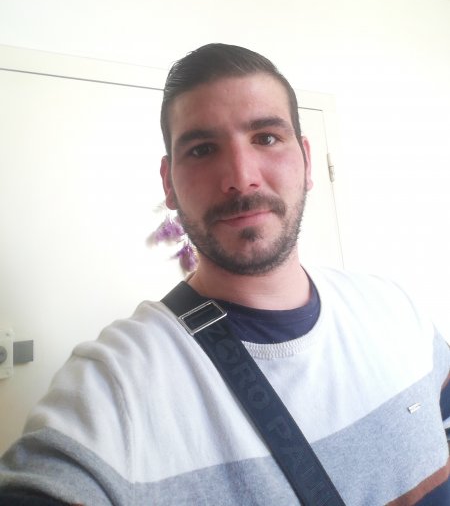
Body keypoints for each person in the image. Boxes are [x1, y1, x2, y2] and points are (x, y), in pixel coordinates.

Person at [0, 43, 449, 506]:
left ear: (307, 161)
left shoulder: (398, 311)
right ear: (168, 182)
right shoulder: (116, 384)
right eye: (202, 149)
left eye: (266, 138)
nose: (240, 176)